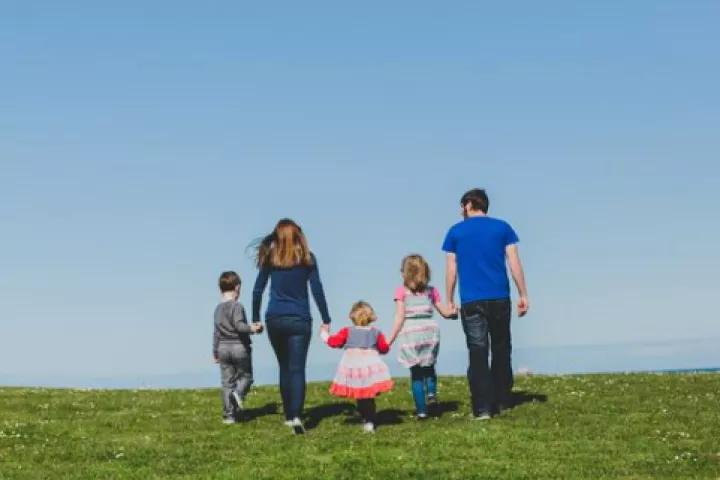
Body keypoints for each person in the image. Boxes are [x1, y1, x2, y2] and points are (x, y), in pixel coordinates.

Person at [442, 188, 529, 420]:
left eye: (462, 206)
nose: (461, 211)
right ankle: (501, 399)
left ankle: (482, 408)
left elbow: (452, 269)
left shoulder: (455, 232)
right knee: (501, 349)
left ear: (469, 204)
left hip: (471, 300)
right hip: (500, 297)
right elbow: (514, 262)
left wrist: (448, 299)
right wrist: (523, 294)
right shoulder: (503, 228)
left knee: (478, 352)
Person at [251, 219, 332, 435]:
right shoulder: (307, 259)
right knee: (297, 368)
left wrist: (255, 318)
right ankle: (296, 415)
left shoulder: (271, 258)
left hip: (274, 319)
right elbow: (317, 290)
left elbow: (257, 290)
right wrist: (326, 317)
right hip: (299, 319)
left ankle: (288, 416)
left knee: (284, 367)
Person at [386, 254, 456, 419]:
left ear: (405, 273)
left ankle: (422, 412)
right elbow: (445, 313)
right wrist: (453, 313)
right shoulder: (432, 291)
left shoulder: (401, 291)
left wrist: (389, 340)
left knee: (416, 374)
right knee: (429, 367)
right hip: (429, 332)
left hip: (411, 334)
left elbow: (399, 317)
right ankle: (431, 394)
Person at [321, 301, 393, 434]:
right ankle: (369, 420)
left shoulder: (347, 331)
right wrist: (386, 346)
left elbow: (334, 342)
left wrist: (324, 334)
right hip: (370, 368)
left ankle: (366, 419)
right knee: (369, 395)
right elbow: (384, 348)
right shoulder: (376, 332)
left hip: (353, 367)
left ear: (353, 316)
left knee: (360, 394)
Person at [213, 271, 263, 424]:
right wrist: (253, 328)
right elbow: (239, 326)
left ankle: (229, 416)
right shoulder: (237, 306)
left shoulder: (217, 309)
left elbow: (216, 332)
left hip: (223, 348)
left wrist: (215, 351)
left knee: (227, 383)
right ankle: (238, 394)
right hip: (239, 347)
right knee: (246, 377)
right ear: (237, 287)